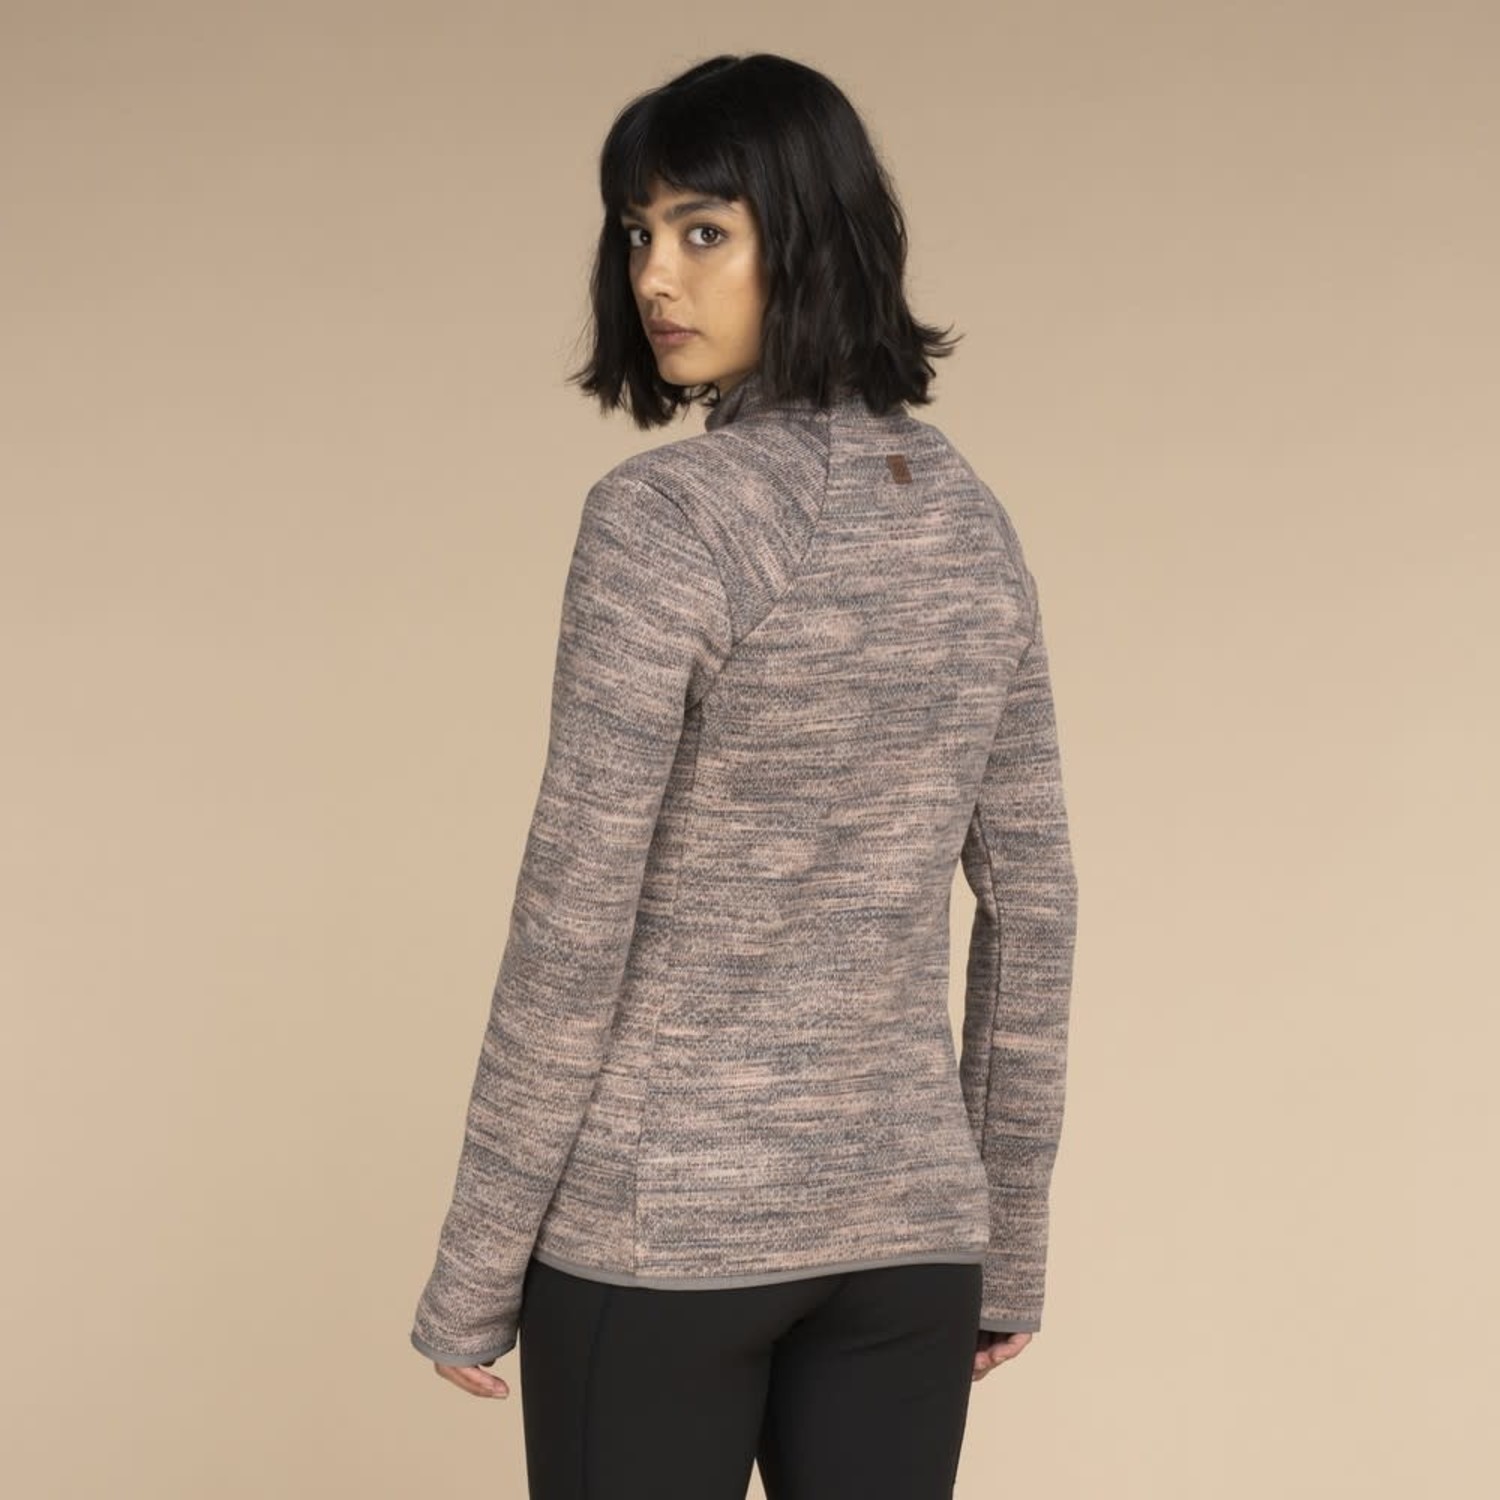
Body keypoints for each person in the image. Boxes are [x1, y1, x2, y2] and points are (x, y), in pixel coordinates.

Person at [408, 52, 1079, 1500]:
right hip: (907, 1239)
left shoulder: (666, 518)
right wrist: (1005, 1240)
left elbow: (576, 910)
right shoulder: (972, 521)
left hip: (663, 1235)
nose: (655, 274)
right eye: (636, 233)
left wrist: (477, 1258)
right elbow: (1036, 904)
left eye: (703, 230)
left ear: (812, 238)